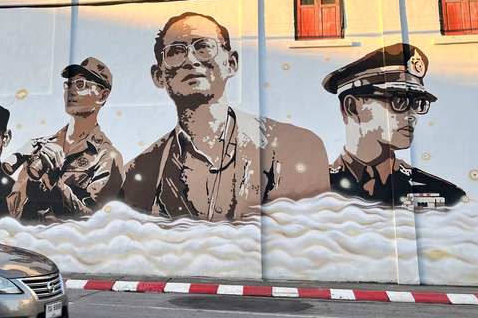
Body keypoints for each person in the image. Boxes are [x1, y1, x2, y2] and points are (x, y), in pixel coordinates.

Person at [121, 12, 330, 221]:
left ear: (231, 63)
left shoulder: (292, 147)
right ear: (159, 76)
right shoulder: (136, 174)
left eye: (204, 47)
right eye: (176, 52)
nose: (190, 60)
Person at [323, 43, 466, 207]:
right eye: (399, 101)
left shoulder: (445, 195)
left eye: (419, 103)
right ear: (352, 106)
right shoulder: (316, 188)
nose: (412, 115)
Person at [6, 57, 123, 221]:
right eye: (68, 84)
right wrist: (32, 180)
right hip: (31, 242)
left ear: (102, 96)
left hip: (68, 244)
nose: (71, 90)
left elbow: (95, 219)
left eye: (81, 84)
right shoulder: (43, 146)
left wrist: (57, 182)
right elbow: (13, 211)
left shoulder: (106, 157)